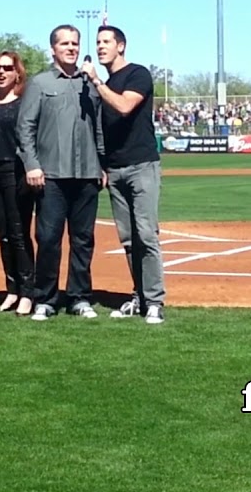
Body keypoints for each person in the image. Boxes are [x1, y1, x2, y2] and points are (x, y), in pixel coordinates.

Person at [17, 24, 105, 321]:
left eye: (75, 43)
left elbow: (99, 127)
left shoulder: (90, 84)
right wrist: (31, 163)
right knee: (49, 238)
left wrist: (102, 164)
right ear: (53, 48)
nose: (71, 48)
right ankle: (46, 298)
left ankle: (80, 297)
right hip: (51, 174)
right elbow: (25, 127)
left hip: (87, 173)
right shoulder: (40, 84)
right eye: (65, 43)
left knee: (83, 239)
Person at [82, 25, 166, 324]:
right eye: (98, 42)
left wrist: (96, 82)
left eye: (107, 42)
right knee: (129, 239)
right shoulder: (108, 81)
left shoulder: (137, 74)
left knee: (146, 235)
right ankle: (139, 297)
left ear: (121, 46)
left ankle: (155, 301)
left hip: (141, 165)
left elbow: (125, 106)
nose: (101, 46)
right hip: (115, 169)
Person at [0, 51, 36, 317]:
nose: (1, 72)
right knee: (2, 235)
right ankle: (11, 289)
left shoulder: (24, 102)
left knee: (19, 233)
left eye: (7, 68)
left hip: (15, 171)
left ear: (17, 73)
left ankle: (28, 292)